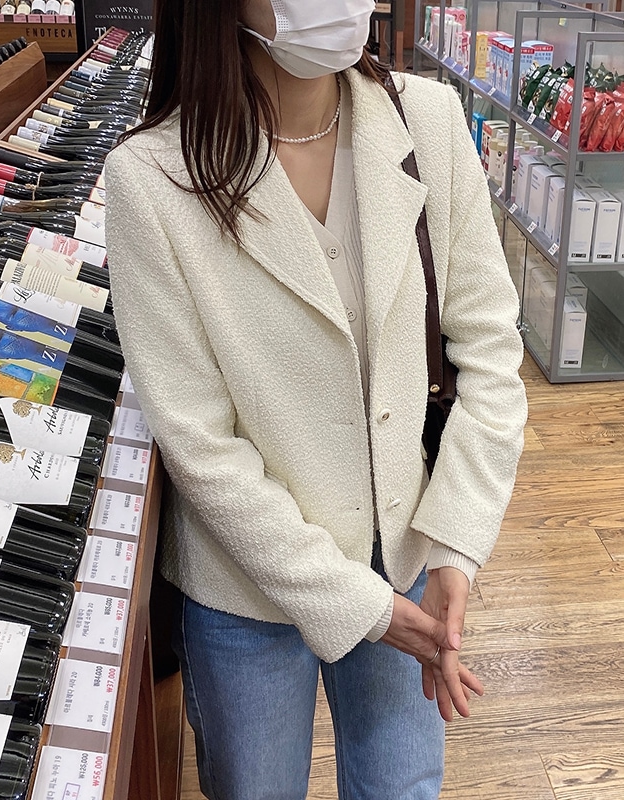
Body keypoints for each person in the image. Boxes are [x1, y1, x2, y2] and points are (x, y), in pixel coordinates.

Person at [105, 1, 528, 797]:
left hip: (405, 547)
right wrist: (354, 602)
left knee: (402, 785)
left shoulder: (428, 122)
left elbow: (490, 350)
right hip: (248, 582)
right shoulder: (152, 178)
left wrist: (456, 542)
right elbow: (198, 443)